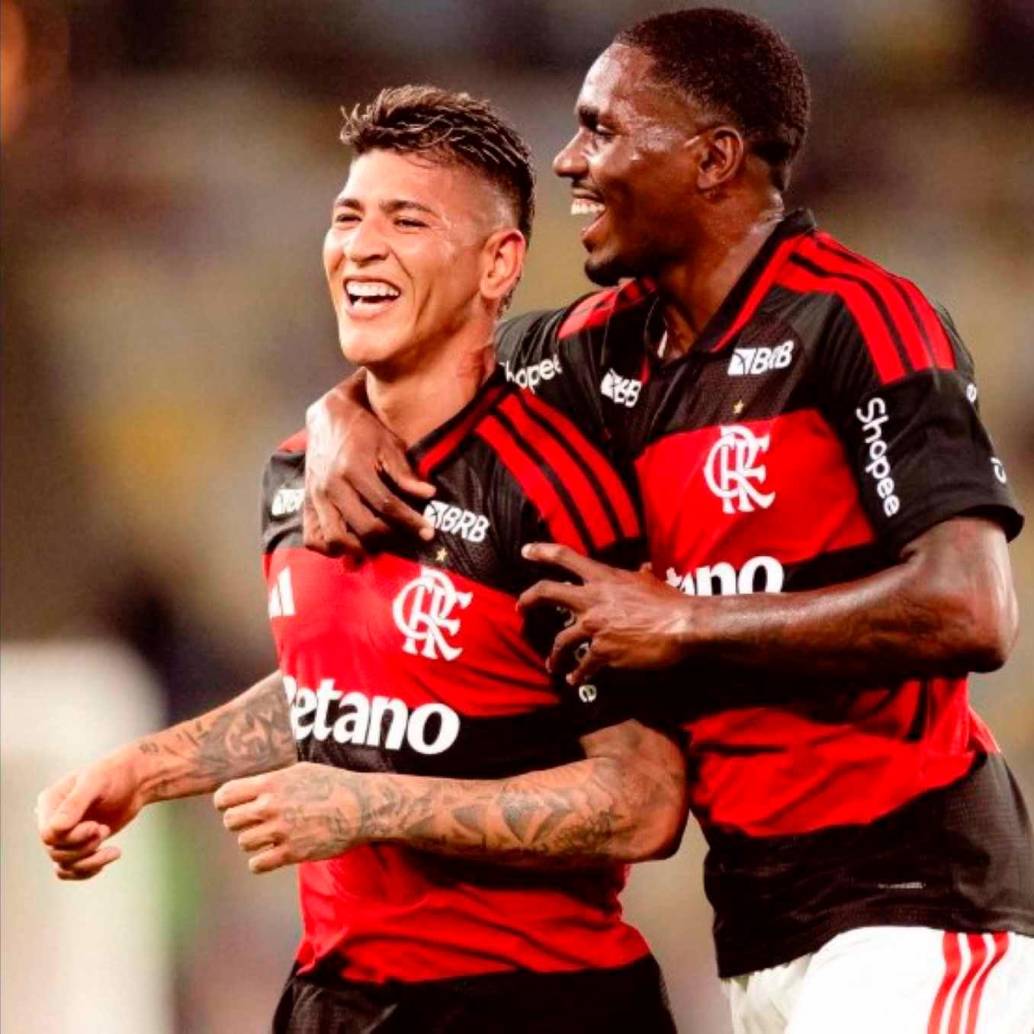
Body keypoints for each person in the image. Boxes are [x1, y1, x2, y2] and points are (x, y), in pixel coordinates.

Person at [300, 9, 1034, 1034]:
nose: (568, 160)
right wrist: (336, 411)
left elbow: (970, 604)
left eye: (600, 130)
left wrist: (683, 620)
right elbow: (428, 365)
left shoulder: (855, 317)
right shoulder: (600, 350)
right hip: (760, 919)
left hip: (914, 902)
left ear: (712, 157)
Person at [37, 87, 688, 1033]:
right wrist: (145, 768)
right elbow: (343, 691)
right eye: (349, 216)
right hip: (336, 998)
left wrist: (367, 805)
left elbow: (644, 799)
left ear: (499, 264)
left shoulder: (555, 490)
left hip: (532, 1002)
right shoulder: (294, 473)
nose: (362, 246)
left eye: (407, 220)